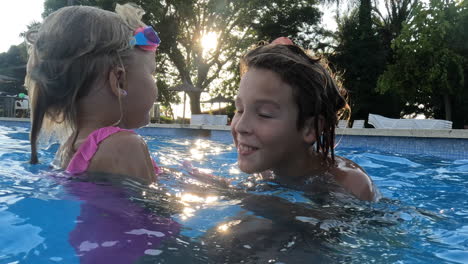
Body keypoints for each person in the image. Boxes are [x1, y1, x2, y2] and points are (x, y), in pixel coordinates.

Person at [25, 3, 161, 183]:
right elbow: (155, 210)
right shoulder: (125, 145)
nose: (154, 84)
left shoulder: (69, 147)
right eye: (151, 73)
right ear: (119, 81)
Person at [230, 38, 379, 201]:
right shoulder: (264, 168)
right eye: (239, 110)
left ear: (310, 129)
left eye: (264, 114)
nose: (240, 126)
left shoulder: (349, 184)